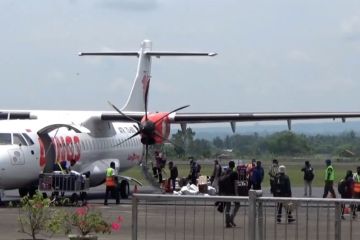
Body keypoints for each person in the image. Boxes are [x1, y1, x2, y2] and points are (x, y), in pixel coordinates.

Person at [218, 160, 240, 228]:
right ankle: (231, 218)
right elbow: (236, 184)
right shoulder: (234, 173)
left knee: (228, 207)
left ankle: (227, 222)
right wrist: (237, 194)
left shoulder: (224, 172)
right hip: (231, 192)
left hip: (224, 192)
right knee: (237, 205)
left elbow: (220, 182)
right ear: (233, 166)